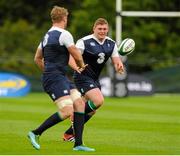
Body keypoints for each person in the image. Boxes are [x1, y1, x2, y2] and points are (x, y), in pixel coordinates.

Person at [27, 6, 95, 152]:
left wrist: (48, 72)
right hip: (55, 78)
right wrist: (82, 65)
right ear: (65, 18)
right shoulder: (64, 34)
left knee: (79, 104)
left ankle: (78, 144)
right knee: (67, 110)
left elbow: (37, 58)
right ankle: (35, 132)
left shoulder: (46, 36)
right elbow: (75, 53)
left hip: (58, 77)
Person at [63, 17, 124, 141]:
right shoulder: (84, 42)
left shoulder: (111, 43)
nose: (102, 31)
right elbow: (70, 56)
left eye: (104, 29)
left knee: (91, 111)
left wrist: (119, 66)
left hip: (95, 79)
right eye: (100, 28)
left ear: (108, 30)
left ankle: (69, 134)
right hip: (82, 77)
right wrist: (76, 67)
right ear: (94, 29)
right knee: (98, 100)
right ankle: (75, 114)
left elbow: (116, 60)